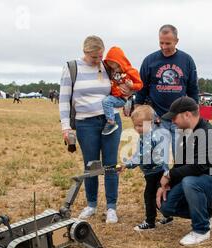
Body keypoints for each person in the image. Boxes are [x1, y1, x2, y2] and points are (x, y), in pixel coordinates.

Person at [59, 35, 131, 223]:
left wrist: (127, 91)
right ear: (85, 52)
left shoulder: (107, 66)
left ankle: (111, 208)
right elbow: (64, 99)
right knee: (91, 165)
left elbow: (121, 88)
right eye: (94, 57)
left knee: (110, 165)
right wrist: (66, 127)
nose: (98, 60)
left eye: (100, 56)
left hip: (111, 121)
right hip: (85, 123)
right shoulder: (71, 67)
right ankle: (91, 204)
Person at [157, 97, 212, 246]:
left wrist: (168, 174)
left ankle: (201, 230)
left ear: (187, 114)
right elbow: (180, 165)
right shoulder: (186, 134)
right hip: (201, 183)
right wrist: (166, 185)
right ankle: (209, 212)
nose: (173, 121)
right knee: (165, 205)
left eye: (175, 117)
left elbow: (199, 166)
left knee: (190, 182)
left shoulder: (209, 132)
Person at [135, 24, 199, 155]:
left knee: (182, 156)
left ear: (176, 41)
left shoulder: (187, 60)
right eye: (161, 43)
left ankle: (178, 176)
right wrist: (137, 112)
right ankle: (161, 176)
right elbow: (141, 88)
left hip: (180, 117)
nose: (164, 47)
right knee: (156, 158)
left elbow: (193, 89)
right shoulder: (149, 61)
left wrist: (194, 115)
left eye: (168, 43)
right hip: (157, 117)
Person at [121, 105, 173, 231]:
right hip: (154, 171)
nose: (137, 128)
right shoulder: (146, 135)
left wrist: (128, 164)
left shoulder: (150, 137)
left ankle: (150, 222)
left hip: (155, 172)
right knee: (158, 196)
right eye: (135, 125)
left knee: (149, 196)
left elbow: (142, 156)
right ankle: (167, 215)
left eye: (140, 125)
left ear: (150, 122)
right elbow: (138, 153)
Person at [101, 47, 143, 135]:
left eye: (113, 63)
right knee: (107, 100)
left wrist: (132, 86)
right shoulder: (112, 71)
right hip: (114, 96)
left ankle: (111, 123)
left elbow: (140, 85)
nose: (111, 65)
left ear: (119, 61)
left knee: (106, 101)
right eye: (109, 63)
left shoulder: (131, 71)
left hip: (121, 99)